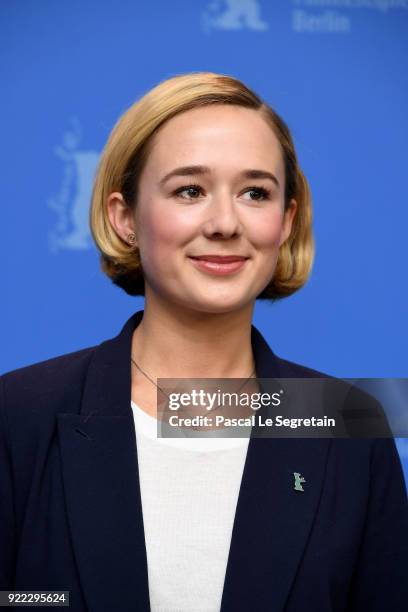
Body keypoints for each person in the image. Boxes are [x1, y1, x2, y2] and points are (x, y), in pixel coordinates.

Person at [0, 71, 407, 612]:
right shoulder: (18, 413)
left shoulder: (349, 423)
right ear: (124, 218)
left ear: (285, 222)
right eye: (189, 190)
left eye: (255, 193)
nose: (224, 222)